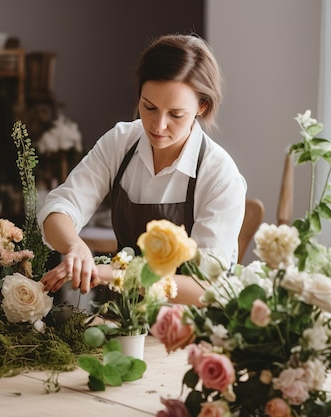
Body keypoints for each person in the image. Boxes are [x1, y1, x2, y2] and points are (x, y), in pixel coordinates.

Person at [38, 33, 246, 306]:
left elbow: (204, 286)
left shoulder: (220, 176)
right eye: (149, 107)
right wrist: (76, 247)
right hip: (120, 318)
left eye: (175, 114)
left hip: (186, 330)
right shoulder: (120, 142)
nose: (158, 126)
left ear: (201, 106)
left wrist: (109, 274)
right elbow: (60, 207)